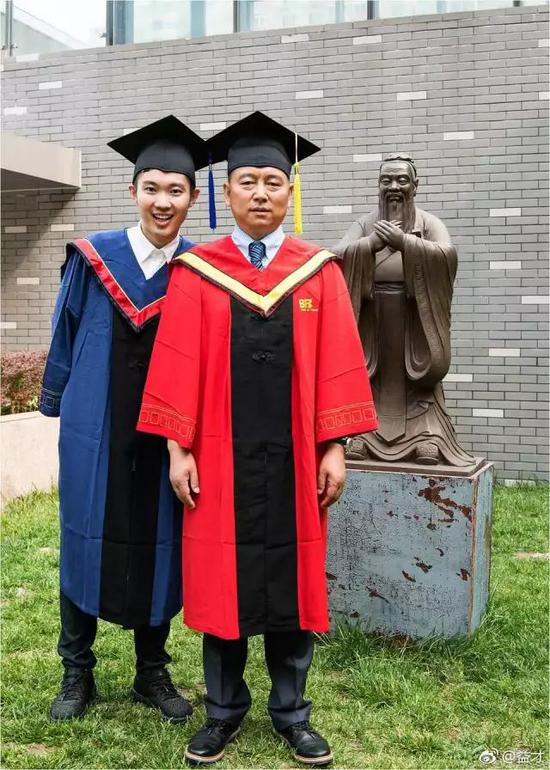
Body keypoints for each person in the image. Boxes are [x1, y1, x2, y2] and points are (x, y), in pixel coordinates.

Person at [136, 111, 378, 766]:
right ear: (227, 191)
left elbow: (339, 361)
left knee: (293, 583)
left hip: (298, 461)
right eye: (248, 181)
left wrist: (336, 447)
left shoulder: (317, 272)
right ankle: (222, 712)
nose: (262, 193)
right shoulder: (198, 272)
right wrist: (177, 449)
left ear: (289, 191)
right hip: (218, 461)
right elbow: (178, 362)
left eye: (274, 181)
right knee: (222, 586)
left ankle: (292, 713)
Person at [39, 116, 208, 722]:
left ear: (192, 197)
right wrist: (55, 400)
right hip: (97, 426)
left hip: (170, 434)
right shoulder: (93, 258)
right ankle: (76, 671)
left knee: (162, 541)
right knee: (83, 534)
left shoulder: (200, 268)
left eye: (175, 190)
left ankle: (151, 671)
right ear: (132, 190)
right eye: (152, 188)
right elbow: (65, 331)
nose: (163, 201)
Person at [333, 153, 475, 467]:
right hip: (372, 318)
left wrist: (405, 243)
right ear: (378, 185)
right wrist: (369, 244)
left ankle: (426, 437)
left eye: (401, 180)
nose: (394, 187)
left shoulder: (429, 223)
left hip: (415, 316)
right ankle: (365, 434)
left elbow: (446, 256)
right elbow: (336, 256)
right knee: (372, 377)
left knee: (417, 379)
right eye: (386, 180)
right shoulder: (365, 224)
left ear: (415, 185)